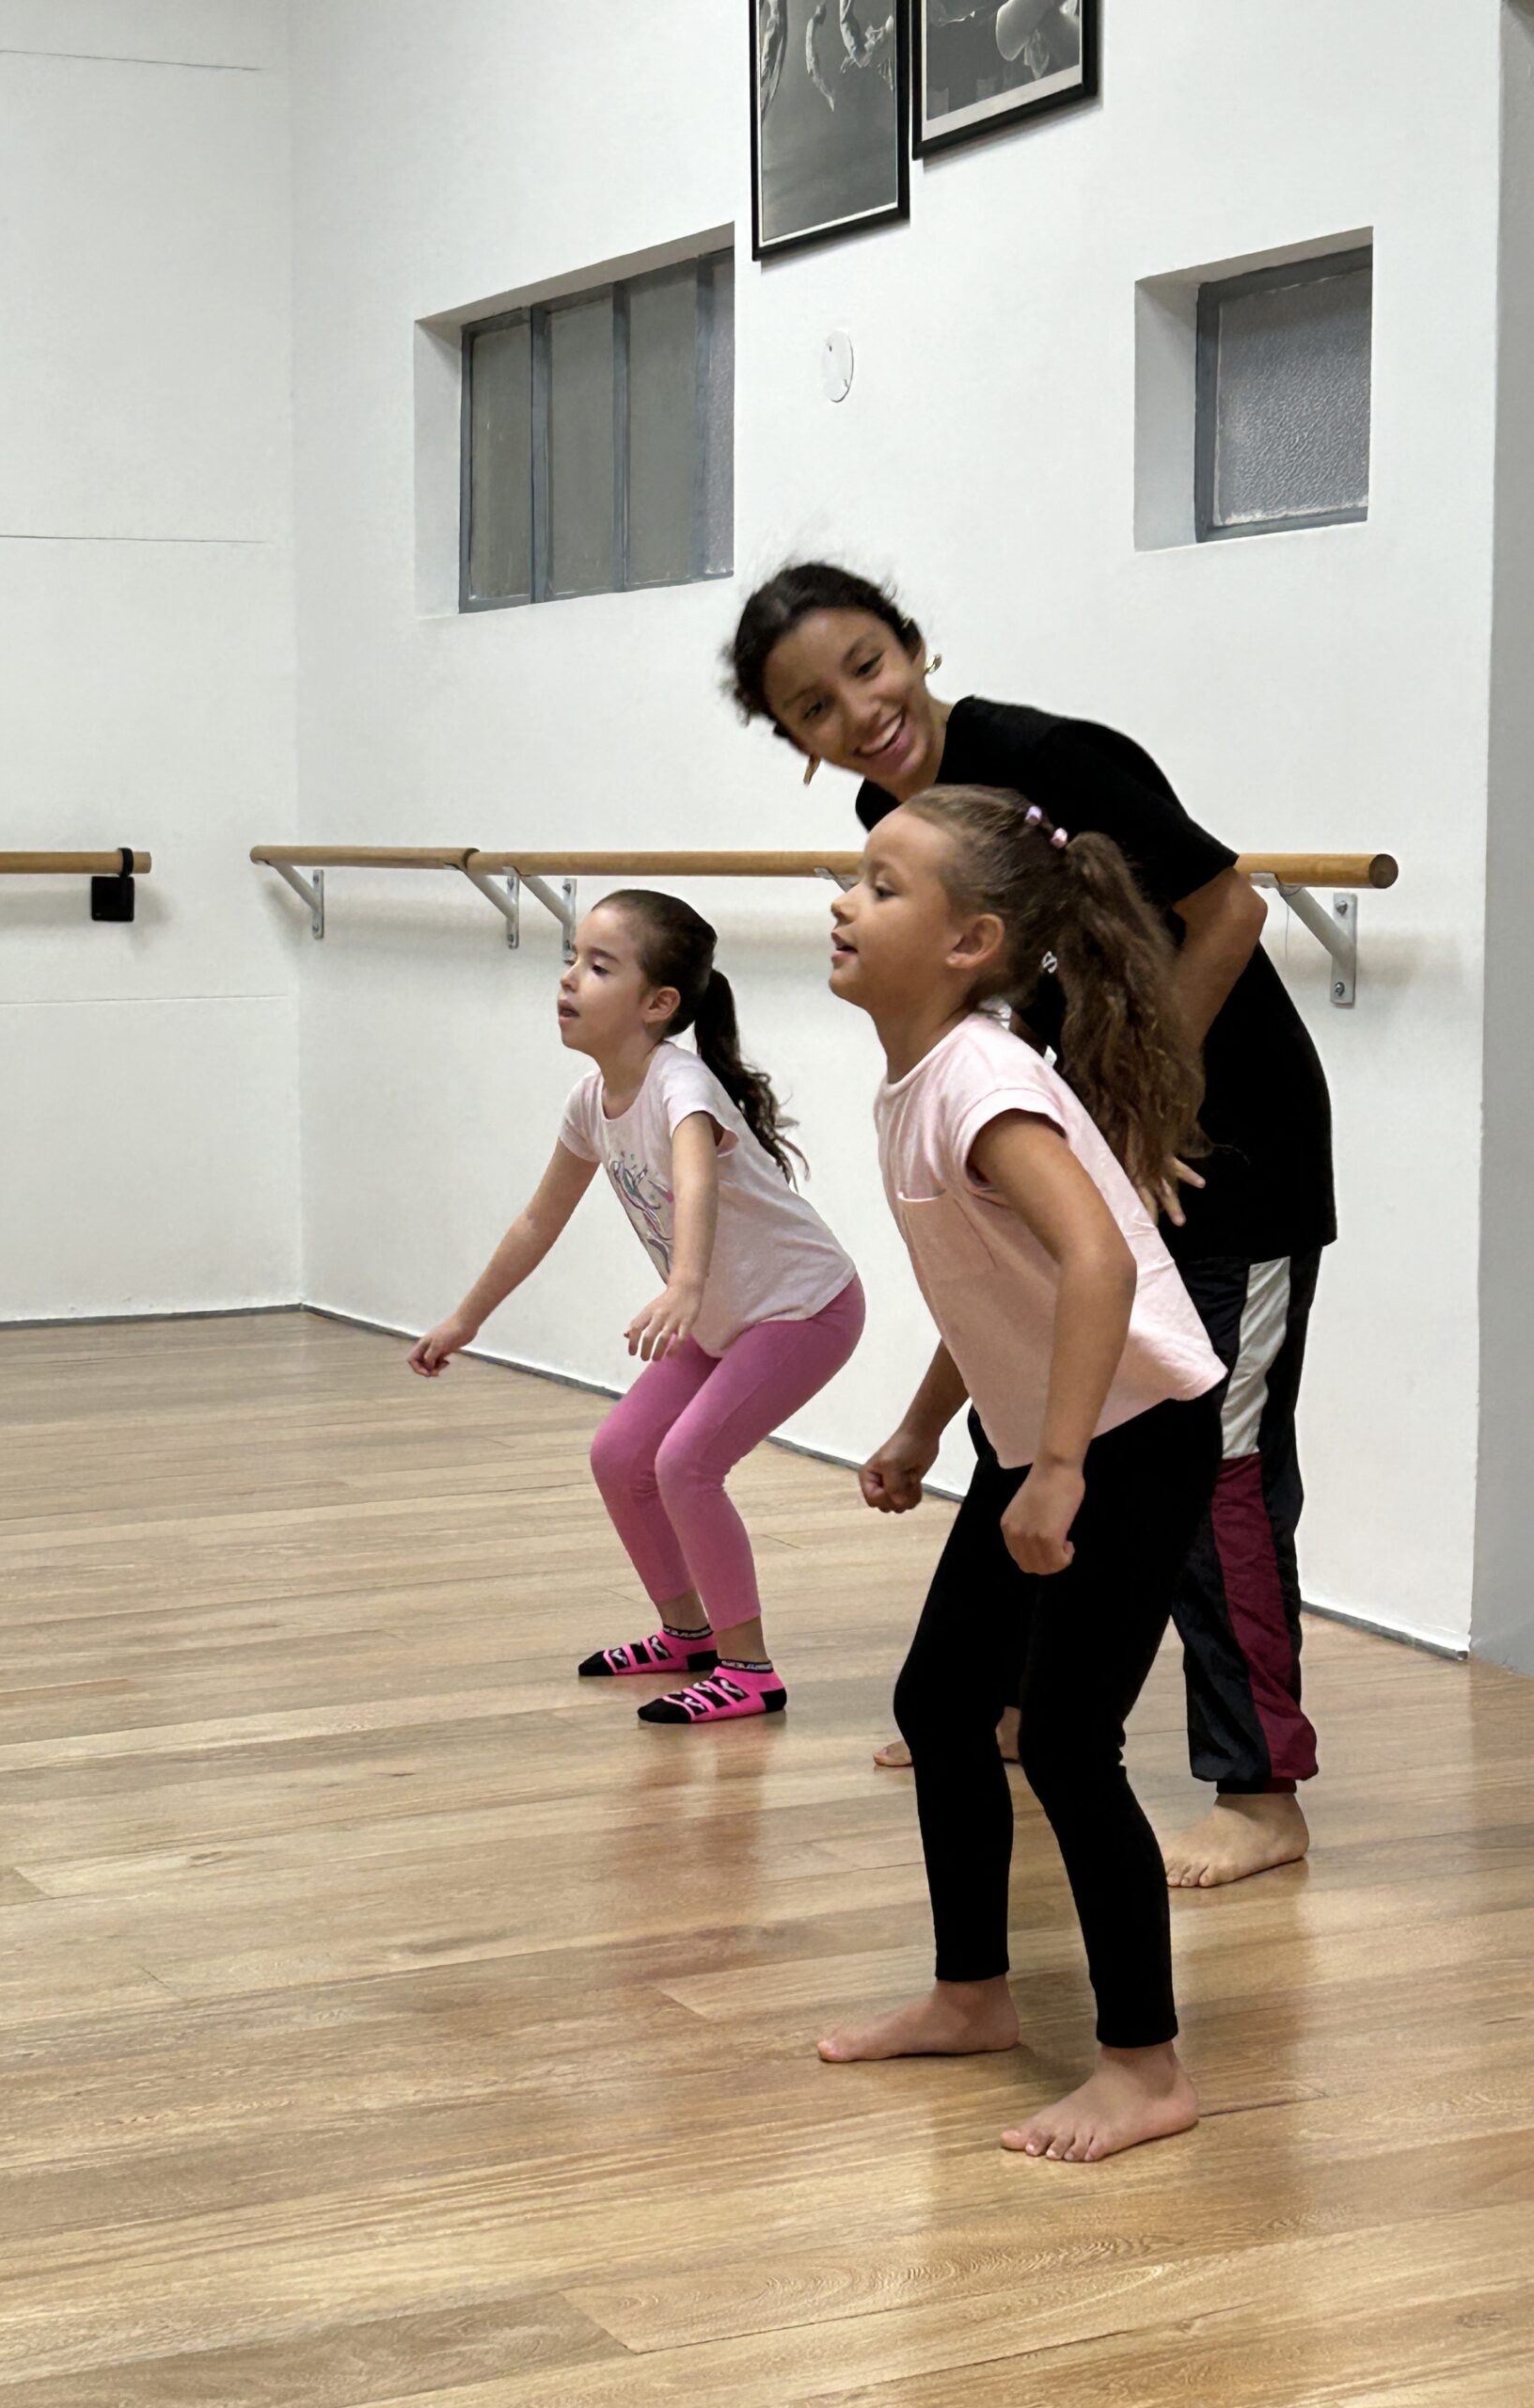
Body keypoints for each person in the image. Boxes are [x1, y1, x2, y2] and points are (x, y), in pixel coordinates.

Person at [727, 563, 1334, 1886]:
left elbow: (1230, 908)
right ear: (797, 742)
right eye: (815, 708)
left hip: (1226, 1150)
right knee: (1035, 1408)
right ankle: (1011, 1701)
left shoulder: (1052, 756)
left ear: (914, 645)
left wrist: (1142, 1116)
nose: (859, 712)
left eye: (868, 666)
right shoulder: (898, 813)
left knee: (1217, 1465)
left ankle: (1259, 1788)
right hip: (1097, 1143)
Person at [818, 786, 1226, 2161]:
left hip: (1131, 1434)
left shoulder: (982, 1083)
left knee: (1062, 1739)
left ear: (971, 941)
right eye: (855, 876)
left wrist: (1055, 1470)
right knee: (943, 1704)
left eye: (882, 886)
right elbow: (997, 1286)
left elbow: (1098, 1261)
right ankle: (971, 1996)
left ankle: (1146, 2068)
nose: (845, 902)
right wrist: (925, 1427)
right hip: (1051, 1430)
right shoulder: (926, 1078)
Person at [409, 889, 863, 1725]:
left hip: (803, 1309)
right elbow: (538, 1220)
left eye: (598, 966)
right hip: (723, 1318)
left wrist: (684, 1284)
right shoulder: (591, 1102)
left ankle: (749, 1669)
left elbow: (695, 1180)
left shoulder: (679, 1085)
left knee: (685, 1464)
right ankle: (688, 1635)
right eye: (572, 959)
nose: (568, 978)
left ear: (658, 1004)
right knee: (621, 1455)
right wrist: (467, 1319)